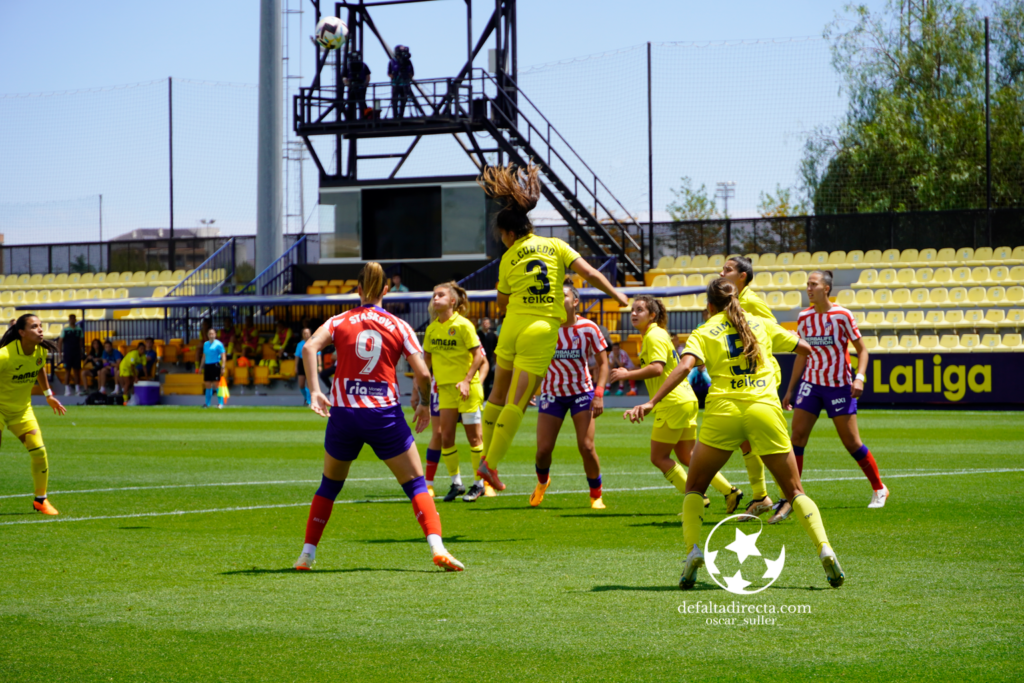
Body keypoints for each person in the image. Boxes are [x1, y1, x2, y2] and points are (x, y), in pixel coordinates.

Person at [626, 279, 845, 590]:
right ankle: (825, 548)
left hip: (723, 413)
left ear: (710, 305)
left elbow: (683, 367)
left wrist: (651, 401)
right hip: (764, 409)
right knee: (795, 490)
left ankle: (691, 553)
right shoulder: (760, 323)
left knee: (695, 487)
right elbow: (805, 348)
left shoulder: (704, 331)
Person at [294, 261, 463, 572]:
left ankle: (306, 554)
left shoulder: (339, 320)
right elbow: (423, 373)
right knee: (415, 484)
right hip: (383, 415)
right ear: (387, 289)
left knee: (329, 485)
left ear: (358, 290)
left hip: (344, 414)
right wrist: (424, 402)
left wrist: (317, 390)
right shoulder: (398, 325)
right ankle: (438, 548)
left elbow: (309, 348)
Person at [474, 162, 628, 492]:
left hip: (512, 326)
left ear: (511, 234)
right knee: (517, 402)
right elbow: (591, 274)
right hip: (541, 329)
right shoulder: (556, 246)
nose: (502, 240)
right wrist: (617, 294)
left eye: (502, 235)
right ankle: (491, 464)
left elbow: (501, 303)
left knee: (497, 395)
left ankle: (485, 458)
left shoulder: (508, 256)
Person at [612, 295, 743, 512]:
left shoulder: (653, 335)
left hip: (672, 402)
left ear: (652, 315)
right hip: (685, 399)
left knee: (659, 457)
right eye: (632, 310)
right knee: (687, 456)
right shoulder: (658, 334)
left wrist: (628, 374)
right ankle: (730, 491)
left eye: (640, 310)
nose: (634, 314)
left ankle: (695, 498)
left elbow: (657, 368)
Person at [782, 270, 888, 516]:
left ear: (826, 288)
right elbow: (802, 354)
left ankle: (879, 488)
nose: (809, 288)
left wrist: (859, 377)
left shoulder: (842, 315)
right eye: (807, 284)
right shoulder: (804, 317)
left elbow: (862, 350)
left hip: (839, 385)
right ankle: (794, 496)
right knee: (796, 437)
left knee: (851, 442)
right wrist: (790, 389)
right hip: (811, 384)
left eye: (814, 284)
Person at [531, 282, 610, 510]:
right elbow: (535, 363)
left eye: (562, 295)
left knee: (586, 446)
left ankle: (596, 495)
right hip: (552, 394)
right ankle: (542, 483)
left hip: (581, 394)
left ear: (575, 302)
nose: (557, 299)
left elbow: (603, 364)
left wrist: (598, 394)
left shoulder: (589, 328)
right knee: (543, 450)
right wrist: (528, 391)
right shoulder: (545, 328)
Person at [719, 255, 781, 520]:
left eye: (728, 269)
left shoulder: (752, 301)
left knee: (764, 439)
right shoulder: (732, 301)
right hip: (746, 375)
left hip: (761, 375)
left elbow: (774, 332)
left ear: (742, 276)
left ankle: (788, 496)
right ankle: (761, 497)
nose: (722, 272)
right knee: (746, 439)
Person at [422, 282, 490, 503]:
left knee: (474, 437)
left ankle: (479, 484)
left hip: (467, 389)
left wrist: (467, 380)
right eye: (433, 295)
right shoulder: (431, 329)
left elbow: (479, 356)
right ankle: (456, 483)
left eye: (440, 295)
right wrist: (421, 392)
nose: (435, 298)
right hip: (445, 390)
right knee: (446, 437)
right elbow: (427, 362)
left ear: (453, 301)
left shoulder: (464, 325)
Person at [0, 314, 66, 515]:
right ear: (21, 332)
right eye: (34, 326)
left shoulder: (39, 351)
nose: (40, 330)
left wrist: (48, 395)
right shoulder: (4, 356)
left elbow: (39, 368)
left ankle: (41, 500)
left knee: (39, 452)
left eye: (41, 326)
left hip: (22, 410)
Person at [58, 313, 85, 396]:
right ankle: (67, 390)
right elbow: (60, 341)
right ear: (69, 320)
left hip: (76, 352)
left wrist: (81, 351)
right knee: (67, 371)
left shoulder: (79, 330)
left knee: (77, 371)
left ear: (75, 320)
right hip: (68, 353)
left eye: (74, 318)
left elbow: (80, 341)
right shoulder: (65, 330)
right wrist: (60, 352)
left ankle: (78, 389)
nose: (72, 320)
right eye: (71, 318)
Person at [341, 51, 371, 120]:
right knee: (356, 102)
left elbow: (368, 75)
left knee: (358, 102)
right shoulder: (350, 66)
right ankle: (362, 117)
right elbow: (344, 77)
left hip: (359, 86)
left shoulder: (362, 65)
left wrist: (348, 84)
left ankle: (360, 117)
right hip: (356, 86)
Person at [388, 45, 415, 119]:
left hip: (405, 84)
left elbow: (412, 74)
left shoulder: (408, 62)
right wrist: (396, 74)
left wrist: (406, 73)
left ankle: (401, 115)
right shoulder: (392, 62)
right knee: (395, 100)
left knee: (404, 100)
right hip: (396, 84)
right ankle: (395, 116)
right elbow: (389, 74)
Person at [202, 328, 226, 409]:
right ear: (208, 335)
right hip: (207, 366)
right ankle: (207, 404)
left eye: (213, 334)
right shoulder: (205, 344)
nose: (211, 335)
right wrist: (201, 366)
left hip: (215, 365)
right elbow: (204, 356)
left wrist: (223, 366)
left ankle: (220, 403)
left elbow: (223, 355)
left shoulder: (219, 344)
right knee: (207, 385)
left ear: (215, 335)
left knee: (217, 384)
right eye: (210, 334)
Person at [477, 317, 498, 397]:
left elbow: (495, 350)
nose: (485, 325)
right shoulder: (478, 334)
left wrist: (495, 362)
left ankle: (485, 397)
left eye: (487, 323)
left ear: (490, 324)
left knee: (488, 379)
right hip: (479, 359)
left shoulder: (492, 335)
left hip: (489, 360)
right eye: (484, 323)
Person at [295, 328, 314, 407]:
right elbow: (297, 356)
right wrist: (296, 366)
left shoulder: (313, 343)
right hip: (302, 363)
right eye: (304, 333)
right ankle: (307, 398)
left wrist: (319, 365)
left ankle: (309, 401)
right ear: (302, 335)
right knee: (301, 385)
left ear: (310, 334)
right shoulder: (300, 344)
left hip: (310, 363)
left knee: (309, 384)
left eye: (307, 333)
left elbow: (318, 354)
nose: (306, 335)